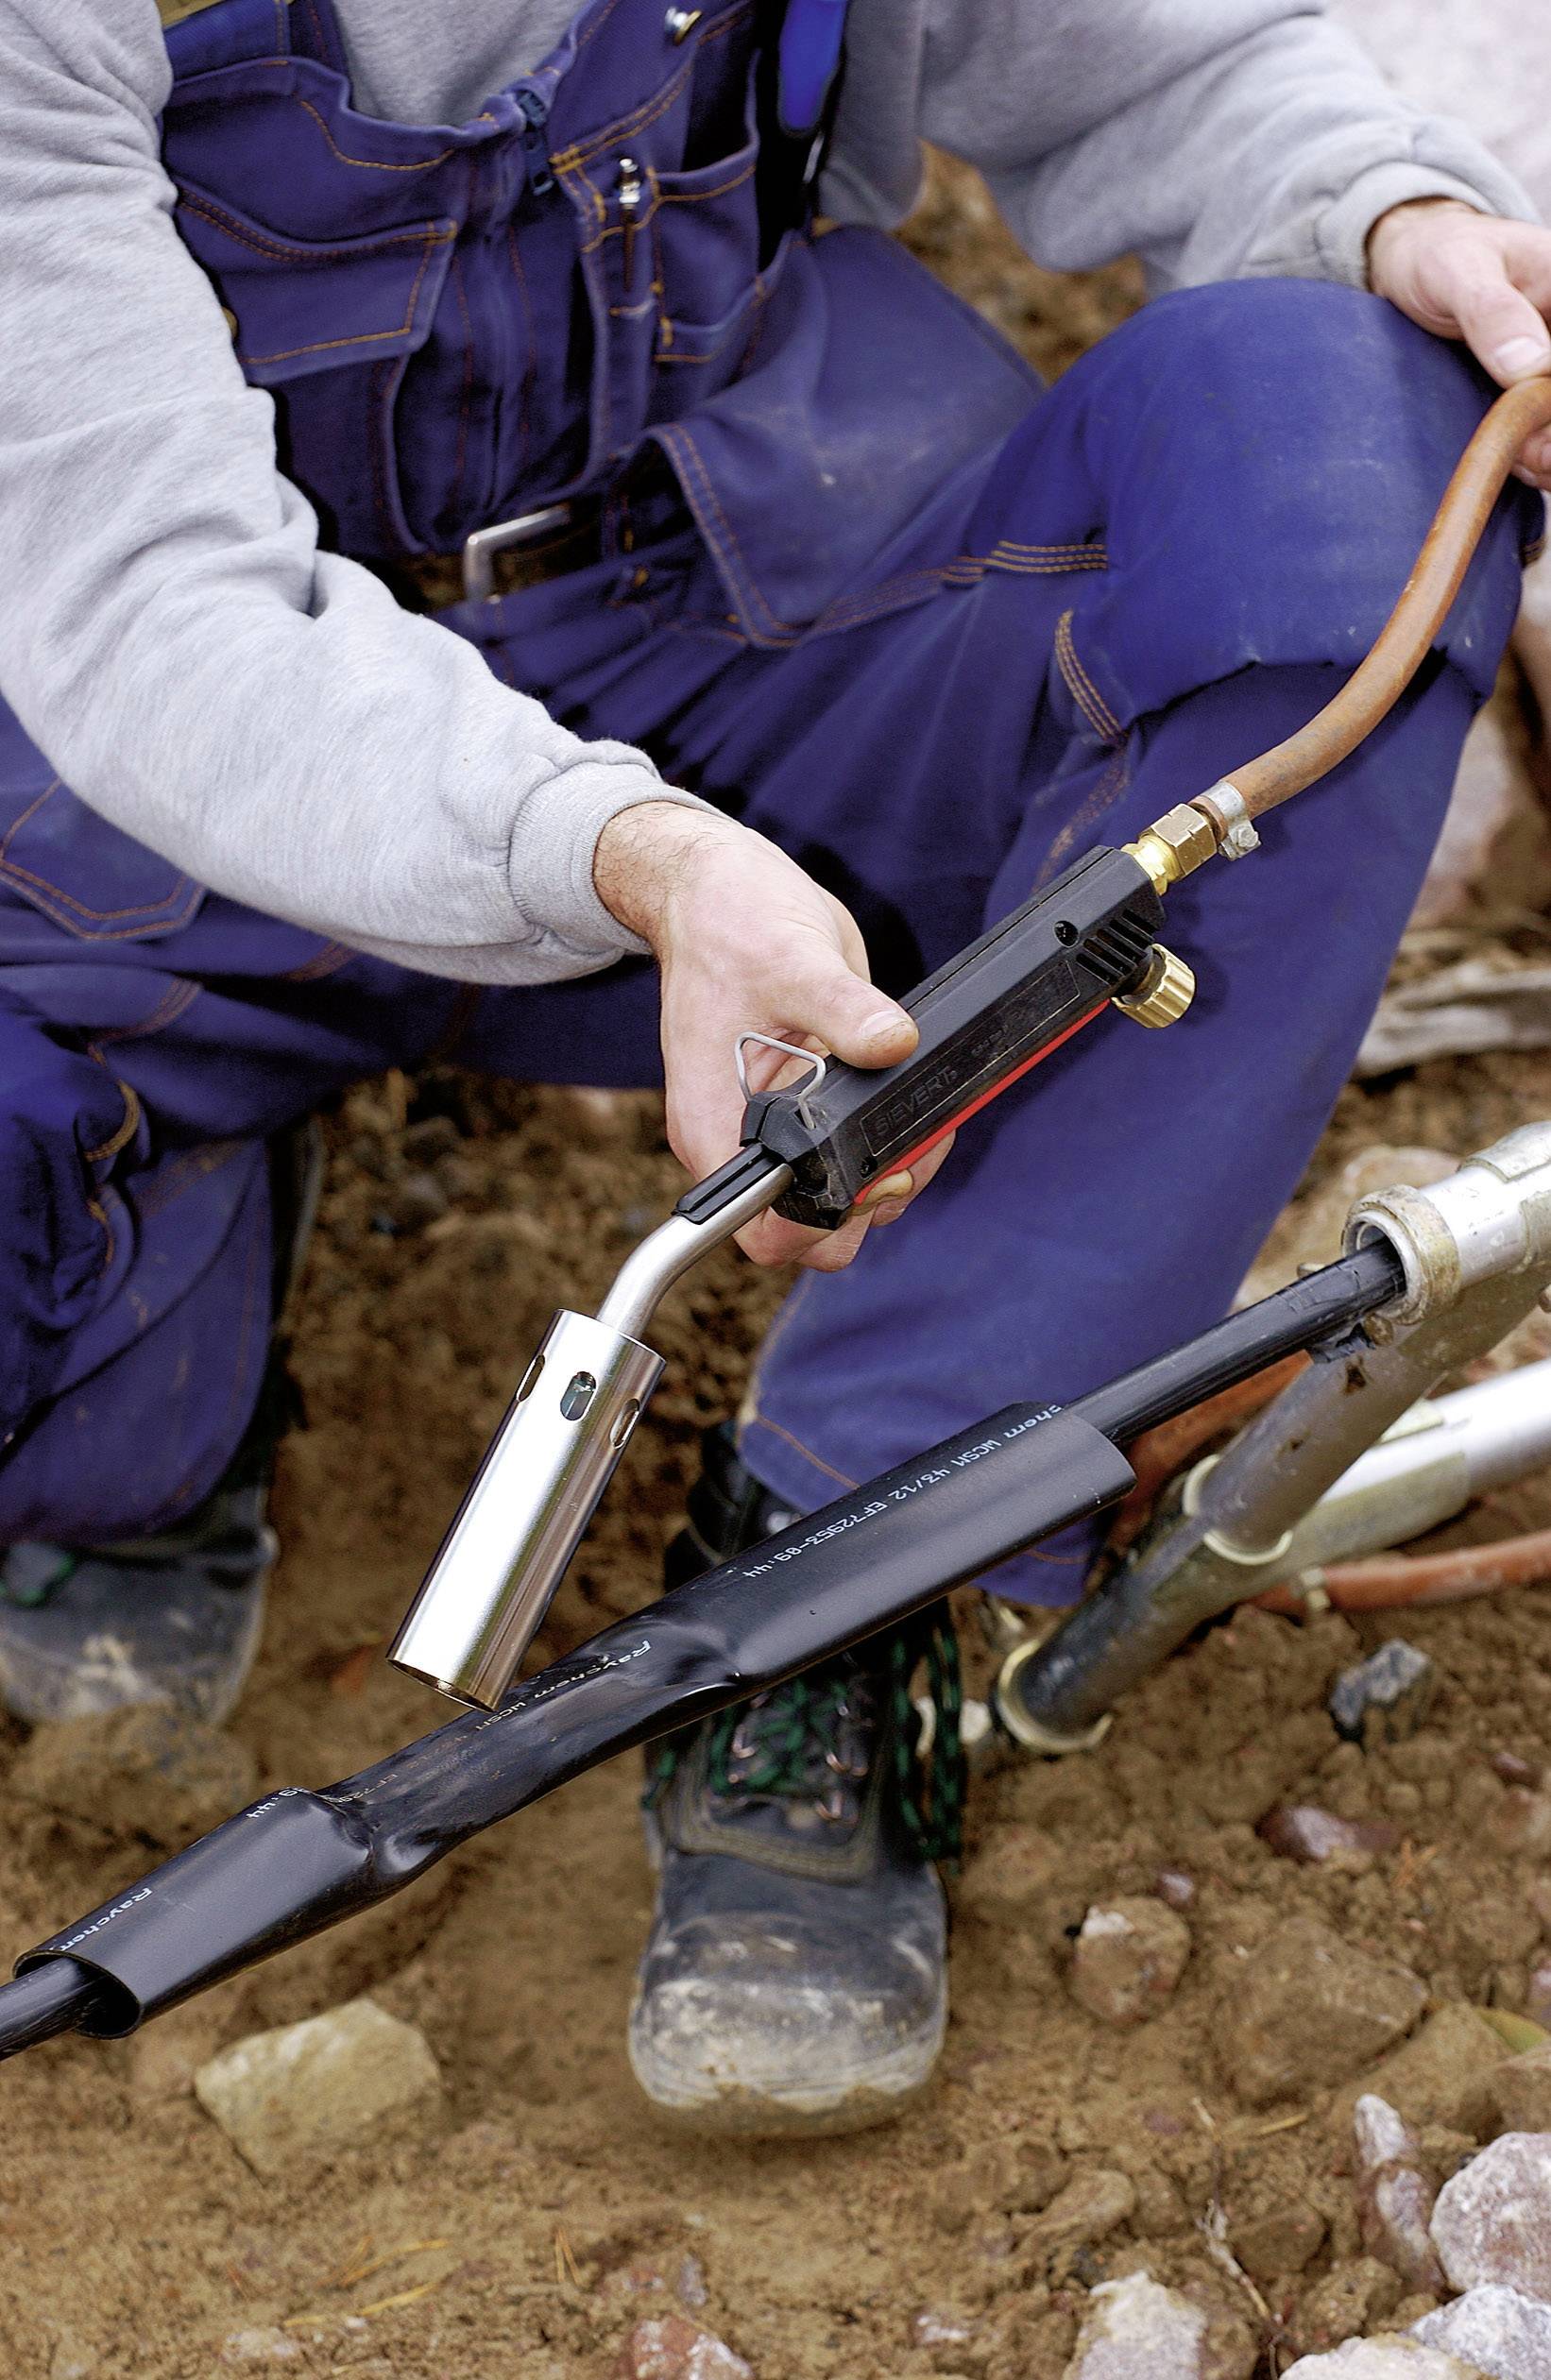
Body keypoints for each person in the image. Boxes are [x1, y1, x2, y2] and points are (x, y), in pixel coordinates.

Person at [2, 0, 1549, 2138]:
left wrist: (1394, 208)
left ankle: (850, 1563)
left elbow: (1152, 61)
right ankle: (150, 1330)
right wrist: (614, 853)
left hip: (744, 631)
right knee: (53, 1369)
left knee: (1341, 469)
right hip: (140, 793)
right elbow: (141, 597)